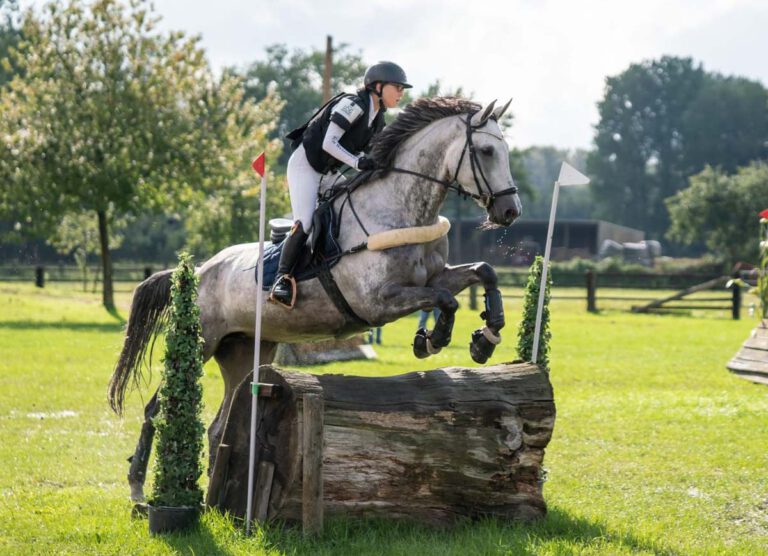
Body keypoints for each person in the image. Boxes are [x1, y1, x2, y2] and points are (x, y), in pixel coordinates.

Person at [269, 61, 412, 308]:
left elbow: (376, 154)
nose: (401, 93)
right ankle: (282, 278)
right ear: (377, 86)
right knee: (305, 221)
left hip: (329, 172)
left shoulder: (377, 119)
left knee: (357, 205)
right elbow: (329, 143)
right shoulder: (352, 105)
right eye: (397, 87)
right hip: (306, 166)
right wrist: (358, 162)